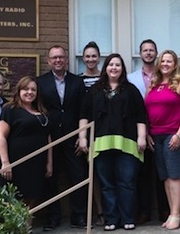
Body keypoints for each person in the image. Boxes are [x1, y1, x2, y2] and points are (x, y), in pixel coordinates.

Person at [77, 53, 147, 231]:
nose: (114, 68)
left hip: (128, 144)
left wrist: (141, 137)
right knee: (107, 185)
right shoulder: (94, 91)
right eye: (111, 65)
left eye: (118, 65)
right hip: (101, 144)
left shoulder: (131, 91)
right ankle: (111, 219)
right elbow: (84, 114)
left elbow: (141, 115)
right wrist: (82, 137)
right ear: (105, 68)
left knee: (127, 183)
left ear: (122, 69)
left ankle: (127, 218)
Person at [37, 45, 88, 231]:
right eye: (54, 58)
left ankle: (78, 216)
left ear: (66, 60)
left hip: (73, 137)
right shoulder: (40, 82)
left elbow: (83, 109)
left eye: (61, 57)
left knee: (78, 176)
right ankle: (53, 217)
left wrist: (82, 135)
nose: (58, 60)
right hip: (50, 138)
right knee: (50, 178)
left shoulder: (77, 82)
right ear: (49, 61)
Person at [144, 50, 180, 230]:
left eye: (169, 61)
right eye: (163, 61)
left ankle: (176, 213)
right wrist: (148, 133)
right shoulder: (153, 84)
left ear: (175, 64)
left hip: (174, 135)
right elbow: (147, 111)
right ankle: (173, 212)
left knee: (175, 174)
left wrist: (179, 135)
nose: (165, 64)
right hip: (155, 136)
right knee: (165, 176)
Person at [0, 76, 53, 232]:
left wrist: (49, 163)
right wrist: (5, 162)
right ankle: (15, 228)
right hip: (19, 160)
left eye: (33, 89)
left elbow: (48, 138)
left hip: (38, 161)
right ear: (19, 90)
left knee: (33, 196)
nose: (30, 92)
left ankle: (26, 227)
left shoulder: (42, 111)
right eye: (26, 89)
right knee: (17, 196)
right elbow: (1, 136)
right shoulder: (10, 109)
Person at [127, 39, 169, 224]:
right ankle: (143, 212)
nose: (148, 53)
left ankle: (164, 210)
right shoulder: (131, 78)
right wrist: (143, 133)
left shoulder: (164, 77)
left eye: (152, 50)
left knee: (163, 172)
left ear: (156, 53)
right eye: (145, 50)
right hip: (139, 132)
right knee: (142, 174)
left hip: (162, 130)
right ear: (140, 53)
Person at [79, 41, 105, 226]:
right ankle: (99, 212)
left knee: (107, 173)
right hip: (86, 135)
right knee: (93, 174)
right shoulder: (77, 81)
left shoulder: (106, 81)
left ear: (99, 57)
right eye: (87, 56)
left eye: (94, 56)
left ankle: (109, 211)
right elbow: (78, 111)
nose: (90, 59)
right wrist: (81, 135)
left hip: (106, 133)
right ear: (83, 58)